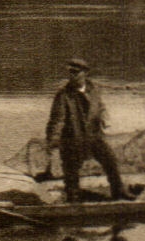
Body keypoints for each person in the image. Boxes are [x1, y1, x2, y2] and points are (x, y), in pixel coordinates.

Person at [46, 58, 126, 203]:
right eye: (70, 72)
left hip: (94, 137)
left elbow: (101, 107)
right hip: (72, 140)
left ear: (85, 73)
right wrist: (53, 141)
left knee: (111, 163)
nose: (72, 75)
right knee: (71, 175)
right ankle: (73, 202)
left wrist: (105, 118)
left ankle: (119, 193)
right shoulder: (63, 95)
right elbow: (57, 120)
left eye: (75, 72)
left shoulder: (94, 90)